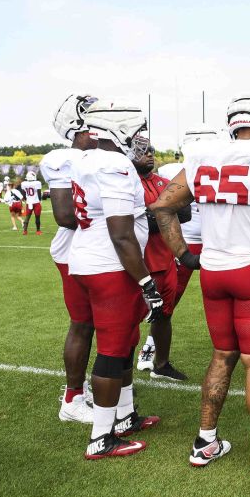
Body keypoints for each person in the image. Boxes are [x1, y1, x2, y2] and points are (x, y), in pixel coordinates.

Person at [150, 95, 250, 476]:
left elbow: (162, 206)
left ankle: (205, 442)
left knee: (221, 355)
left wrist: (185, 255)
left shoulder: (205, 155)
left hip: (214, 270)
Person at [68, 99, 166, 459]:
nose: (140, 136)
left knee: (124, 341)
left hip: (87, 258)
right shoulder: (114, 164)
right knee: (112, 349)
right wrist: (145, 283)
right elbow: (121, 233)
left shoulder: (86, 158)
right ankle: (101, 437)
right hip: (110, 266)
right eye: (136, 129)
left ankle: (124, 417)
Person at [42, 94, 98, 424]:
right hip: (75, 252)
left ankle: (82, 387)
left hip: (96, 250)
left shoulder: (99, 157)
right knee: (83, 323)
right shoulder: (64, 159)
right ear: (78, 127)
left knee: (95, 324)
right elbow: (65, 215)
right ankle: (73, 397)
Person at [131, 131, 189, 382]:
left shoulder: (161, 181)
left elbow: (185, 212)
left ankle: (161, 364)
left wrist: (154, 215)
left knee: (165, 315)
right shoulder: (126, 181)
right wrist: (165, 214)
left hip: (165, 261)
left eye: (151, 150)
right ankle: (121, 376)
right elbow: (132, 221)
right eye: (143, 151)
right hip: (139, 264)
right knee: (128, 322)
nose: (150, 154)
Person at [157, 124, 221, 314]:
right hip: (189, 239)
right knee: (172, 292)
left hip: (212, 239)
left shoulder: (173, 171)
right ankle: (154, 338)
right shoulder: (171, 171)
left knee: (219, 293)